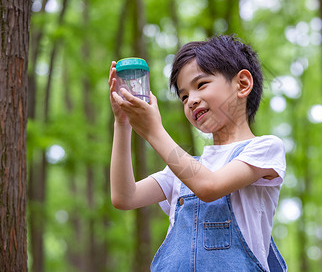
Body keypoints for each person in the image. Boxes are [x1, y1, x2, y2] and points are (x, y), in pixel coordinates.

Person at [108, 35, 287, 271]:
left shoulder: (264, 148)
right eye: (183, 96)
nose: (191, 100)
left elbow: (209, 187)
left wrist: (154, 132)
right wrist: (123, 124)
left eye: (201, 85)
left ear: (242, 84)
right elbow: (124, 197)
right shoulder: (180, 170)